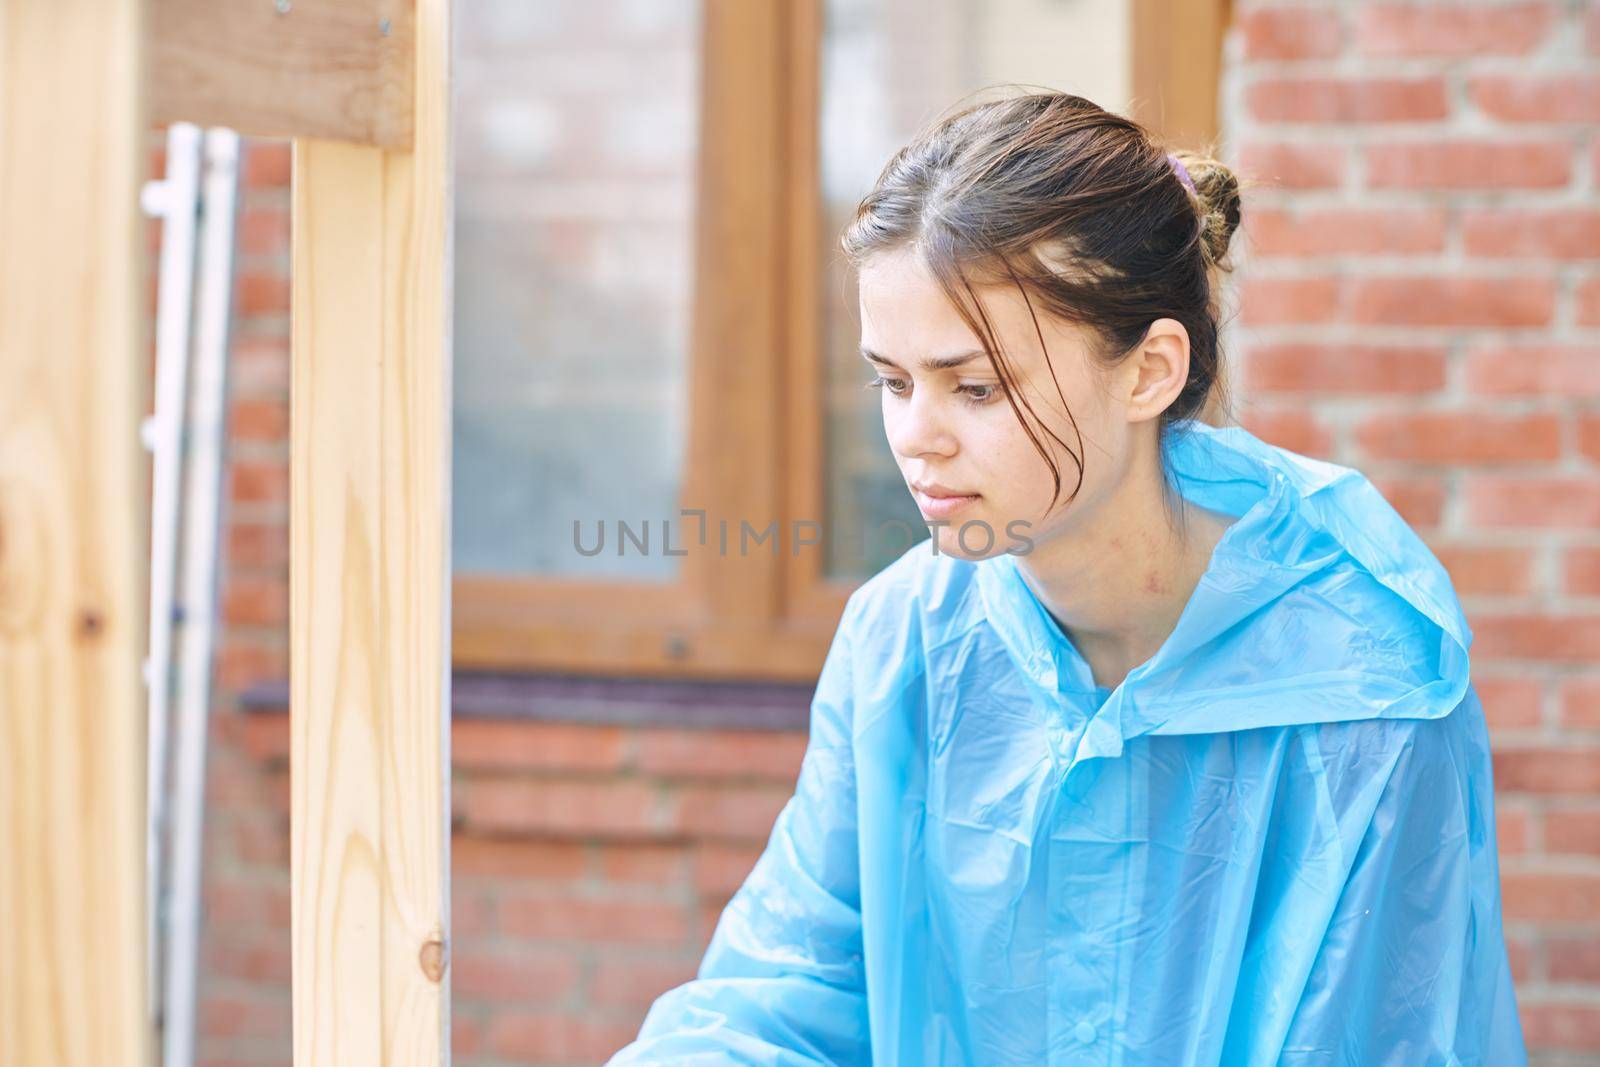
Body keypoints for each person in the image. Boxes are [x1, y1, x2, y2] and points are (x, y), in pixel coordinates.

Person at [605, 90, 1528, 1066]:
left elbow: (1372, 1036)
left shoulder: (1367, 683)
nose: (915, 436)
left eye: (975, 386)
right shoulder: (902, 638)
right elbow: (780, 994)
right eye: (891, 380)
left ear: (1147, 371)